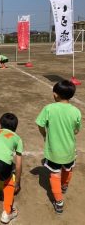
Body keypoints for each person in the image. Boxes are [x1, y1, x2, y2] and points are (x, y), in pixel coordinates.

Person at [36, 80, 82, 214]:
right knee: (68, 169)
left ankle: (59, 202)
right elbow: (76, 130)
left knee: (54, 174)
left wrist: (45, 134)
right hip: (69, 149)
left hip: (54, 151)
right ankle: (65, 185)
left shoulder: (49, 108)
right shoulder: (76, 111)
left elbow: (40, 124)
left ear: (55, 95)